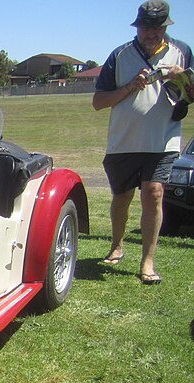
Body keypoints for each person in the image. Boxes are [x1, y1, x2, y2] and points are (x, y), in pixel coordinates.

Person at [93, 1, 194, 285]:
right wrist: (129, 87)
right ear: (137, 27)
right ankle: (116, 244)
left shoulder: (182, 52)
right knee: (121, 197)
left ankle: (147, 261)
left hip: (163, 139)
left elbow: (191, 93)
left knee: (154, 192)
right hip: (123, 142)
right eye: (145, 27)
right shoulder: (120, 55)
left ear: (165, 27)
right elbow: (98, 102)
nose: (151, 33)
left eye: (157, 27)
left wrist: (182, 78)